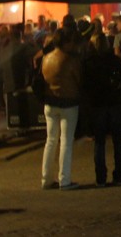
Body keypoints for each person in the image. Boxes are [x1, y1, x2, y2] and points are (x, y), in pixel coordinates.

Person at [41, 27, 83, 191]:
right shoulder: (70, 60)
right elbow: (78, 79)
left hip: (50, 103)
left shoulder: (46, 59)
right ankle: (64, 179)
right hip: (68, 103)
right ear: (66, 42)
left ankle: (46, 179)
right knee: (66, 141)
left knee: (50, 140)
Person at [83, 43, 121, 187]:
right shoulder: (114, 60)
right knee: (118, 141)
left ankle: (101, 178)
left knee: (99, 142)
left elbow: (85, 85)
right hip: (115, 103)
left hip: (98, 105)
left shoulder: (89, 63)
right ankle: (119, 177)